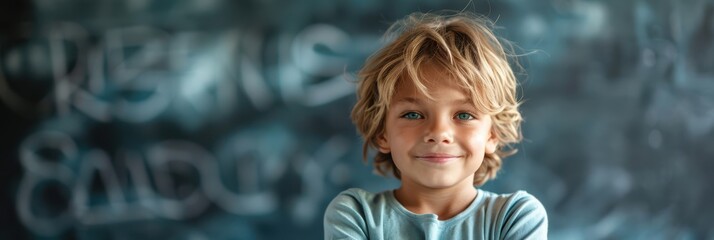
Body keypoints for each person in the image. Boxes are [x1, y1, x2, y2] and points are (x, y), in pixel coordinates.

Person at [323, 11, 548, 240]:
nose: (439, 133)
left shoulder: (516, 217)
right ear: (382, 133)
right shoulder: (355, 214)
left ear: (492, 134)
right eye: (412, 114)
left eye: (464, 115)